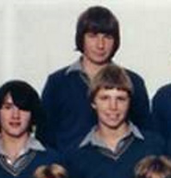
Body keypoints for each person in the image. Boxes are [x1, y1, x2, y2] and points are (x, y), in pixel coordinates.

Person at [62, 63, 165, 178]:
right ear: (93, 102)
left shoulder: (153, 146)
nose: (113, 107)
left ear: (130, 102)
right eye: (105, 98)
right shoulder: (75, 155)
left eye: (120, 99)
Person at [39, 5, 150, 151]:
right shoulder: (57, 82)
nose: (100, 45)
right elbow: (44, 137)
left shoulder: (133, 82)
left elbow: (145, 135)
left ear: (116, 40)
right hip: (68, 170)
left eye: (107, 37)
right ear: (81, 38)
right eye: (92, 36)